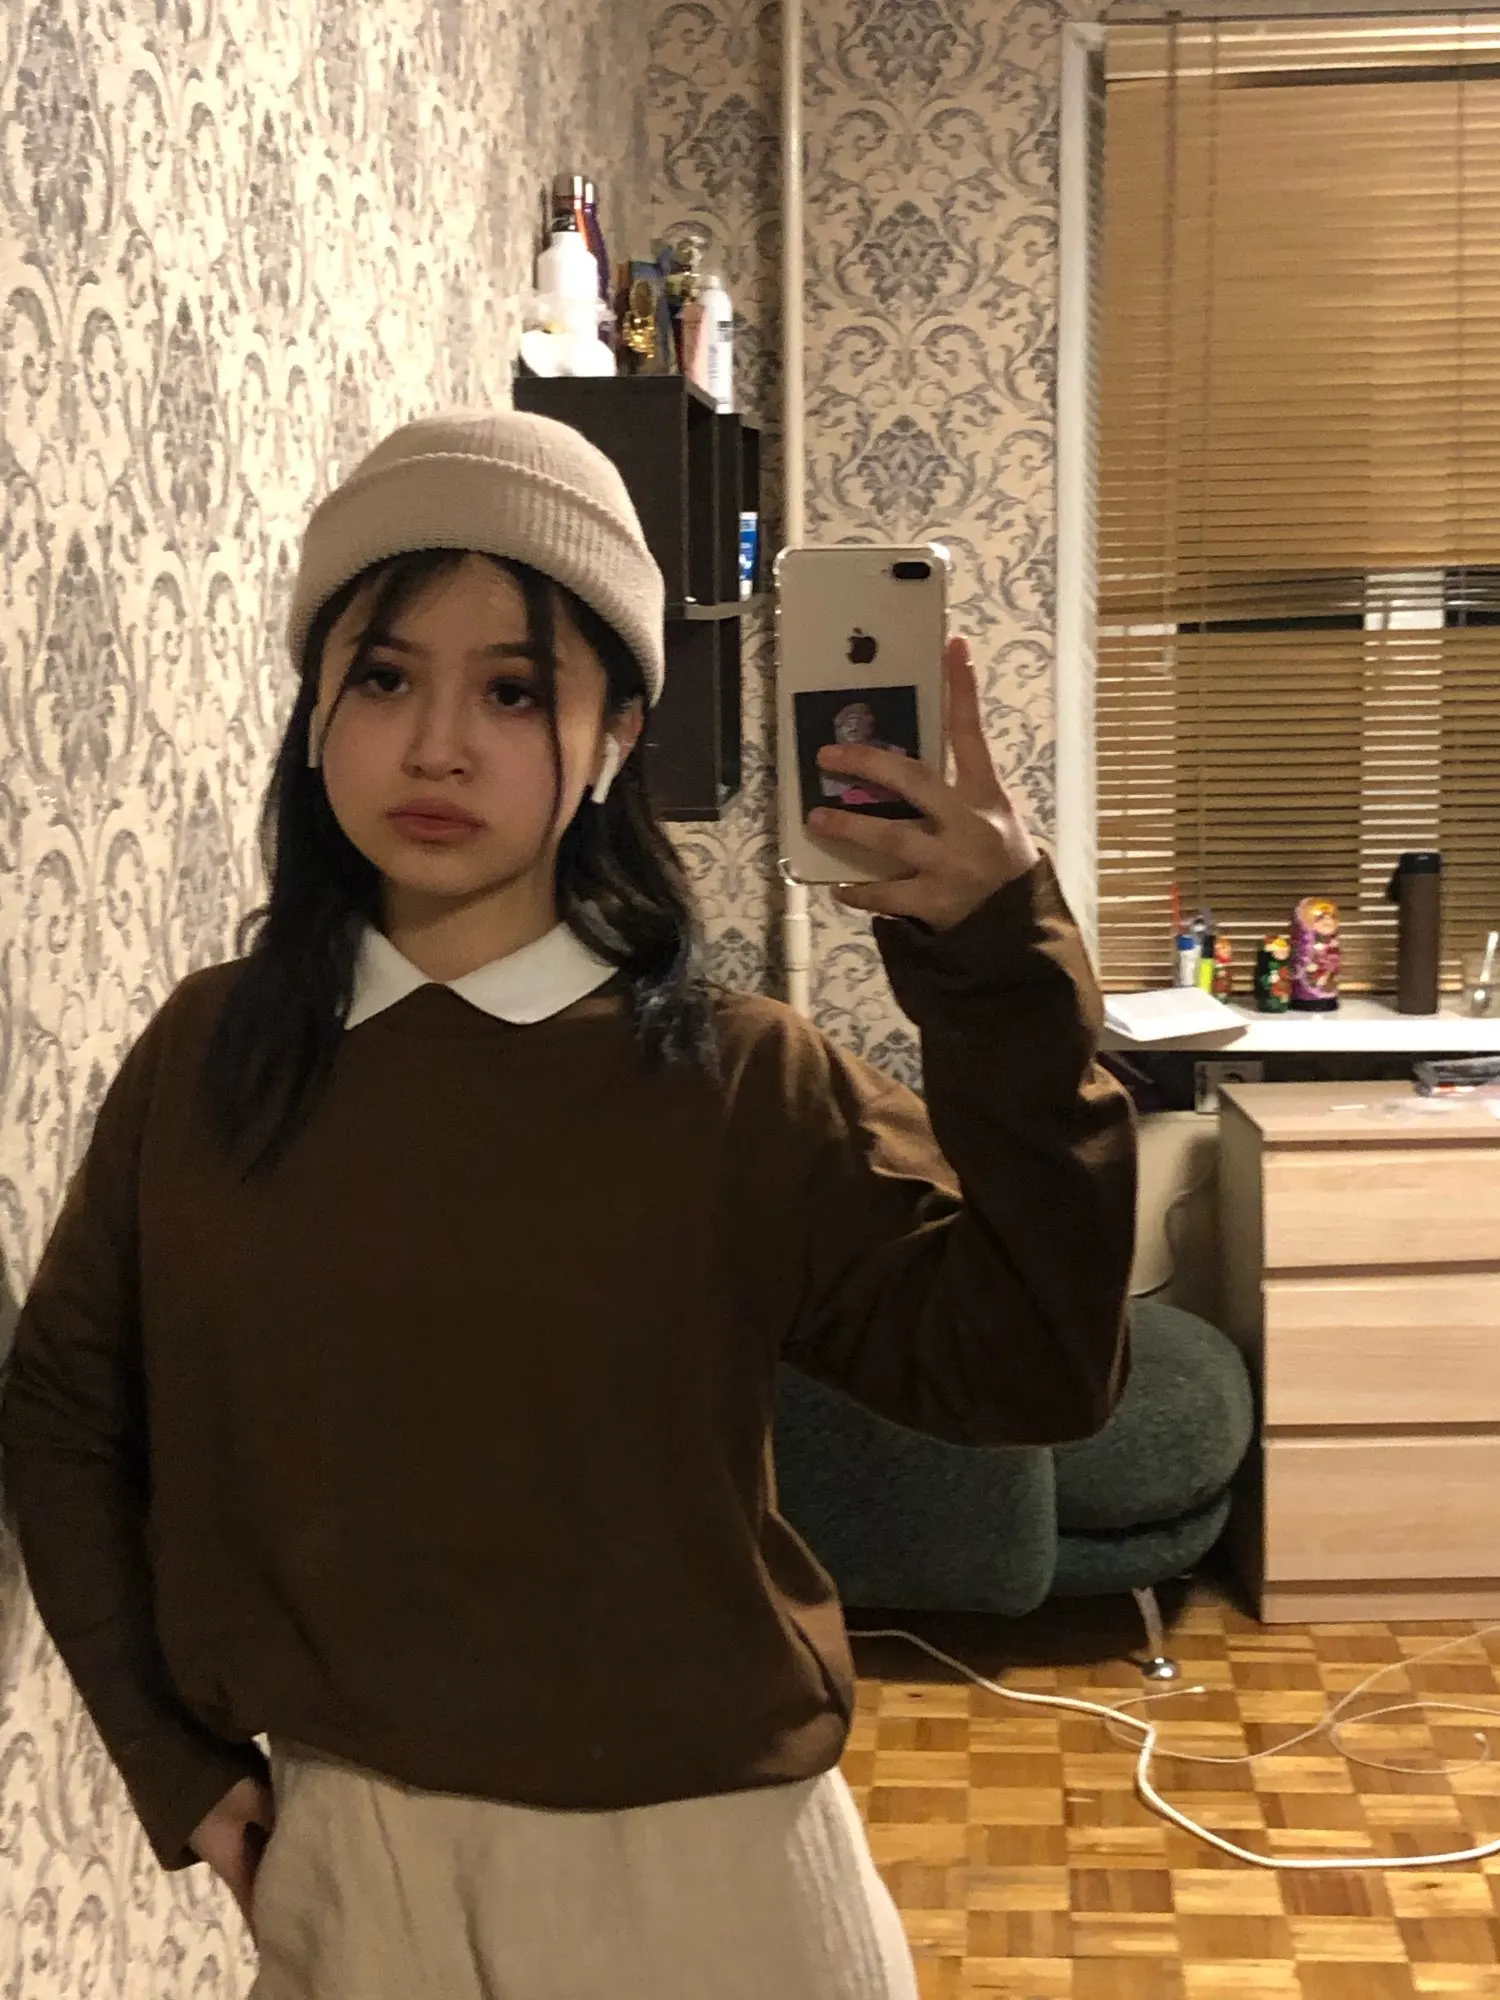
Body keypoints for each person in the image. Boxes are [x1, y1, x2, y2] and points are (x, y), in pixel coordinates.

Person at [0, 411, 1137, 2000]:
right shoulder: (213, 1055)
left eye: (515, 690)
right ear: (315, 710)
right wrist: (170, 1761)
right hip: (352, 1872)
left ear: (615, 741)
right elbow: (66, 1410)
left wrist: (999, 966)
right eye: (382, 678)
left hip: (709, 1878)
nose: (437, 745)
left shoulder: (740, 1081)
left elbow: (1034, 1369)